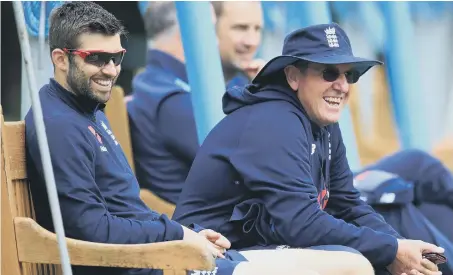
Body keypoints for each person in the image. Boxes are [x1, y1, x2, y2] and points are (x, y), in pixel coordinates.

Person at [24, 3, 374, 275]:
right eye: (96, 59)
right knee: (350, 265)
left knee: (346, 258)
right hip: (152, 264)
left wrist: (184, 234)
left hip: (166, 256)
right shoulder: (57, 123)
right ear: (60, 59)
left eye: (117, 58)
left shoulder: (87, 113)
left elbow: (124, 208)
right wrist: (177, 236)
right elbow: (89, 227)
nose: (111, 70)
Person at [173, 23, 445, 275]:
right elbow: (302, 223)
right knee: (351, 262)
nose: (341, 85)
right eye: (328, 72)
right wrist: (391, 250)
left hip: (256, 250)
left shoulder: (323, 122)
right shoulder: (273, 120)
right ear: (293, 76)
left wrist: (400, 246)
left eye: (348, 74)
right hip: (206, 258)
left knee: (400, 242)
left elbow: (348, 203)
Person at [127, 1, 264, 204]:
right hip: (208, 228)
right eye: (210, 28)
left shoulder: (155, 83)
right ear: (188, 29)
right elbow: (256, 164)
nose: (217, 40)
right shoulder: (174, 99)